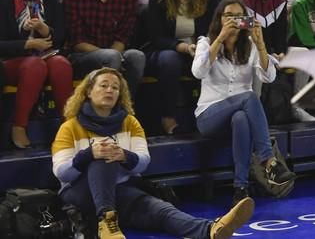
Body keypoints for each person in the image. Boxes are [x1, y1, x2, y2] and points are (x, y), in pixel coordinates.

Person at [52, 66, 256, 239]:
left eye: (115, 87)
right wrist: (89, 154)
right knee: (101, 156)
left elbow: (143, 162)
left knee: (161, 210)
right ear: (88, 91)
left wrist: (125, 156)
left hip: (121, 191)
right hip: (79, 193)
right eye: (103, 85)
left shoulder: (130, 122)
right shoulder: (70, 126)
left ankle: (211, 229)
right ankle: (106, 220)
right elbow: (62, 173)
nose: (110, 90)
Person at [193, 0, 296, 202]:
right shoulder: (206, 42)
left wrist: (260, 44)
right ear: (219, 19)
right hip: (209, 116)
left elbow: (269, 77)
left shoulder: (249, 45)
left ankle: (240, 188)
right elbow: (198, 72)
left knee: (240, 117)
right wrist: (220, 39)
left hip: (237, 118)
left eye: (238, 17)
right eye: (228, 16)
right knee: (248, 97)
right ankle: (268, 161)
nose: (233, 21)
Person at [0, 0, 73, 149]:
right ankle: (19, 125)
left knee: (61, 64)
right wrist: (27, 45)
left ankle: (69, 126)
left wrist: (44, 29)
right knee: (35, 65)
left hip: (45, 56)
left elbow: (60, 37)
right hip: (10, 61)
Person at [145, 0, 218, 135]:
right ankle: (168, 116)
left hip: (199, 48)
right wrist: (184, 47)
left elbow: (214, 29)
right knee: (171, 60)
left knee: (213, 59)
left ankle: (210, 116)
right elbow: (157, 37)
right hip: (166, 50)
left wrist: (201, 46)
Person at [64, 0, 145, 100]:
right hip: (82, 56)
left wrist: (114, 55)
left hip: (115, 54)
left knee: (137, 56)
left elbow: (123, 37)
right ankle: (107, 109)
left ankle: (125, 107)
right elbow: (78, 41)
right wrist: (110, 55)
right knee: (112, 56)